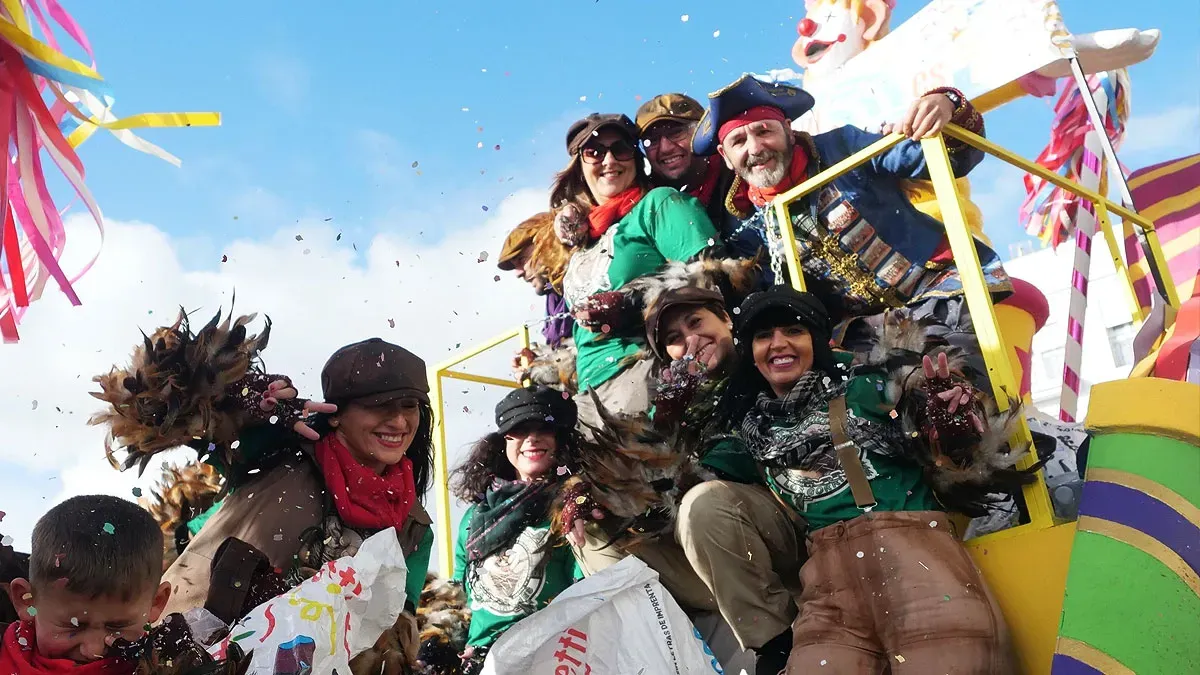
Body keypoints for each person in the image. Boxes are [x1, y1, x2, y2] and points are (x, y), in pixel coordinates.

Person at [721, 285, 1027, 673]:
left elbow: (940, 437)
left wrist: (949, 418)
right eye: (763, 336)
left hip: (917, 568)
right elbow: (677, 493)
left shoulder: (865, 386)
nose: (778, 344)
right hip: (829, 592)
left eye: (792, 331)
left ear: (815, 339)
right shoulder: (747, 430)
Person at [91, 315, 435, 621]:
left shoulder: (414, 526)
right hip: (187, 652)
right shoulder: (276, 448)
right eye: (379, 406)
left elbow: (393, 628)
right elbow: (152, 410)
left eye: (410, 406)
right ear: (337, 414)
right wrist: (237, 399)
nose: (399, 421)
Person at [693, 74, 1008, 375]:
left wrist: (946, 103)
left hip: (939, 290)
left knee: (953, 379)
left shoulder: (842, 146)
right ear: (725, 155)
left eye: (764, 131)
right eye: (739, 141)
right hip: (863, 334)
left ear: (788, 132)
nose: (755, 148)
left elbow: (950, 159)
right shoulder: (745, 226)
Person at [641, 281, 805, 674]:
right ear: (667, 357)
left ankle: (777, 644)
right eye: (675, 339)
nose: (692, 340)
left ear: (727, 319)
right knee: (597, 525)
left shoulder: (767, 355)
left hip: (796, 520)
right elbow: (645, 477)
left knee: (705, 501)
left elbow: (748, 456)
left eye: (697, 322)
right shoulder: (670, 403)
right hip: (719, 551)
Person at [548, 113, 723, 428]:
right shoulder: (583, 239)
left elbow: (713, 272)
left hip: (645, 371)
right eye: (595, 151)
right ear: (579, 164)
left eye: (621, 148)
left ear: (636, 157)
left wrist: (630, 304)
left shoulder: (659, 204)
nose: (609, 159)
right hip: (588, 393)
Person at [444, 386, 584, 674]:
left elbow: (586, 596)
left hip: (551, 658)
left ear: (563, 439)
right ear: (503, 441)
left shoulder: (576, 509)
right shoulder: (474, 516)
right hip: (482, 662)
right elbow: (460, 599)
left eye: (544, 428)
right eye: (518, 429)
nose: (531, 438)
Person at [2, 496, 171, 672]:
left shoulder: (179, 663)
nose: (93, 651)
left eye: (117, 626)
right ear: (27, 601)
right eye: (72, 626)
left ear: (156, 602)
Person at [636, 95, 752, 259]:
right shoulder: (646, 205)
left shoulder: (742, 173)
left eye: (676, 133)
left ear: (704, 131)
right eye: (651, 141)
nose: (665, 148)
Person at [496, 212, 574, 349]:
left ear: (548, 245)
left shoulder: (586, 277)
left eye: (521, 260)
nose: (518, 273)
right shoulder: (554, 298)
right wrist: (537, 361)